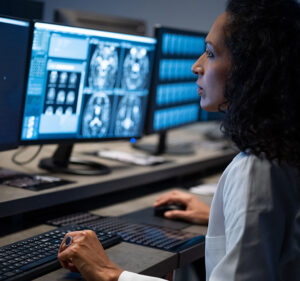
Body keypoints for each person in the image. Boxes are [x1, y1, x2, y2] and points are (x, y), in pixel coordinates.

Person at [58, 0, 300, 280]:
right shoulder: (282, 152)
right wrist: (222, 218)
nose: (196, 66)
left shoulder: (258, 169)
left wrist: (110, 273)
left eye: (210, 53)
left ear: (251, 68)